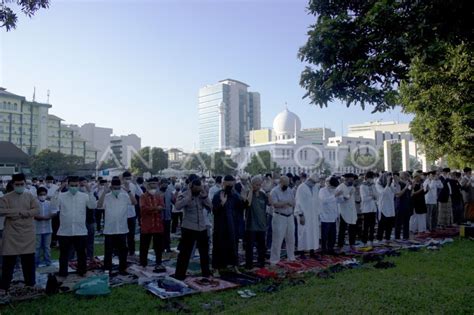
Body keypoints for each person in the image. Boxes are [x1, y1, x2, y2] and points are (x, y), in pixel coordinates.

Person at [0, 173, 40, 291]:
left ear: (24, 183)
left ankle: (30, 285)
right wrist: (18, 211)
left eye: (22, 184)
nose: (20, 186)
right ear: (13, 184)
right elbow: (1, 211)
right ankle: (4, 287)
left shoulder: (30, 196)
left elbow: (36, 210)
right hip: (11, 234)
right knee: (8, 263)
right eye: (17, 184)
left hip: (27, 233)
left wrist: (25, 213)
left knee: (28, 261)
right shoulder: (6, 197)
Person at [57, 176, 97, 277]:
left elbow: (92, 205)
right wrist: (59, 189)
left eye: (76, 185)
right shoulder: (62, 196)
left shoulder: (84, 196)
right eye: (72, 185)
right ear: (68, 185)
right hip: (65, 231)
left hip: (80, 230)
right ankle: (63, 273)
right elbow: (54, 205)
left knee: (81, 253)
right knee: (64, 254)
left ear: (79, 185)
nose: (74, 187)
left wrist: (89, 191)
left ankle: (82, 271)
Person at [174, 178, 212, 280]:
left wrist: (205, 196)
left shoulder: (201, 195)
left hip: (202, 228)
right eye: (196, 189)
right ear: (191, 187)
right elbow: (177, 206)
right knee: (184, 253)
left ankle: (206, 273)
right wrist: (189, 195)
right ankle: (180, 275)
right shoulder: (184, 194)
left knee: (204, 252)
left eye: (199, 189)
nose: (198, 191)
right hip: (189, 228)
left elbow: (210, 207)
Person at [98, 178, 136, 275]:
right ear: (111, 187)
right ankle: (107, 269)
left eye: (118, 188)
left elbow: (134, 202)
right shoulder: (106, 196)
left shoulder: (124, 196)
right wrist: (104, 192)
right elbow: (99, 206)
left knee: (123, 251)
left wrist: (128, 191)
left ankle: (122, 269)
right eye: (114, 188)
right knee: (108, 252)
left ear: (120, 187)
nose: (116, 190)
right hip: (109, 229)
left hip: (122, 229)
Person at [212, 175, 245, 270]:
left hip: (232, 226)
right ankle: (216, 268)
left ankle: (234, 266)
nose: (230, 187)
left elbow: (242, 208)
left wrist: (244, 199)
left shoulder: (235, 195)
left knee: (233, 246)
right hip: (220, 226)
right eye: (228, 185)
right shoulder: (218, 195)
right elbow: (214, 211)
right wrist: (222, 203)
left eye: (232, 185)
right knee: (219, 246)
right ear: (224, 184)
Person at [139, 178, 166, 272]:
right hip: (147, 225)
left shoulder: (159, 196)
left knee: (158, 246)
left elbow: (162, 206)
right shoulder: (143, 196)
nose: (153, 186)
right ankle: (143, 264)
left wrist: (156, 208)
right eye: (151, 184)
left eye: (155, 184)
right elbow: (143, 209)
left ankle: (159, 263)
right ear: (147, 185)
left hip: (158, 225)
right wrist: (155, 208)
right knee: (144, 246)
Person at [244, 176, 270, 269]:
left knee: (262, 247)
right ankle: (249, 265)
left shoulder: (263, 195)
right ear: (252, 184)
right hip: (251, 225)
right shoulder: (248, 193)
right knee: (249, 247)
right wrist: (251, 190)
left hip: (262, 225)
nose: (258, 186)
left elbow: (270, 203)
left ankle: (261, 263)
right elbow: (248, 203)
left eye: (259, 185)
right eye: (256, 184)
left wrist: (267, 191)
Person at [269, 176, 296, 265]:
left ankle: (291, 257)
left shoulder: (290, 190)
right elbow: (275, 204)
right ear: (280, 182)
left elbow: (293, 203)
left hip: (290, 216)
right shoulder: (274, 191)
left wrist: (286, 203)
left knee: (291, 238)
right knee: (278, 239)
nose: (287, 185)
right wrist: (286, 203)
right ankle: (274, 260)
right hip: (279, 216)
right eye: (285, 183)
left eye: (288, 183)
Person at [295, 173, 321, 258]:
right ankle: (302, 252)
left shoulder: (315, 187)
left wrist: (318, 214)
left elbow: (317, 201)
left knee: (313, 233)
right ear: (309, 180)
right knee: (303, 233)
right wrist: (300, 214)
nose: (314, 183)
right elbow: (298, 202)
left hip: (313, 215)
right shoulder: (301, 188)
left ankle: (312, 252)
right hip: (304, 215)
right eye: (313, 182)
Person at [319, 176, 344, 255]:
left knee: (332, 235)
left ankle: (331, 249)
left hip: (334, 216)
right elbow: (324, 201)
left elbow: (340, 201)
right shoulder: (322, 190)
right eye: (332, 187)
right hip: (325, 217)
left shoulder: (335, 190)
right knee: (324, 235)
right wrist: (335, 195)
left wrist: (341, 196)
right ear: (329, 184)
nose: (333, 188)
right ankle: (323, 250)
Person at [35, 187, 58, 266]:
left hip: (48, 229)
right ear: (37, 195)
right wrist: (42, 217)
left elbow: (54, 212)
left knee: (47, 247)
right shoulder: (34, 203)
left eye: (44, 194)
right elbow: (34, 215)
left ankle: (48, 262)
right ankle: (36, 263)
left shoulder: (49, 203)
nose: (42, 196)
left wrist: (47, 217)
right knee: (37, 247)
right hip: (37, 229)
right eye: (41, 194)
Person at [122, 171, 143, 256]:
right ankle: (122, 251)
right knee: (122, 234)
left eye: (129, 178)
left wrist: (136, 184)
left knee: (131, 234)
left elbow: (141, 194)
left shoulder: (133, 186)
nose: (128, 180)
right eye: (126, 179)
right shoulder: (120, 186)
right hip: (122, 214)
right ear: (123, 178)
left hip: (131, 214)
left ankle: (132, 251)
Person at [336, 173, 358, 251]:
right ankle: (340, 245)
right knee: (342, 229)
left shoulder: (352, 187)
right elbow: (337, 199)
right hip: (343, 211)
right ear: (346, 179)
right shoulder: (340, 187)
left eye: (353, 180)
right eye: (350, 180)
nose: (352, 181)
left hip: (352, 210)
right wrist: (345, 197)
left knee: (352, 228)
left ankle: (352, 244)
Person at [376, 173, 399, 243]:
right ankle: (379, 239)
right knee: (382, 224)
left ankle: (387, 238)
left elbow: (396, 192)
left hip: (391, 207)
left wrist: (395, 183)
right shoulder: (378, 185)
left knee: (389, 224)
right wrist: (387, 185)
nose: (389, 179)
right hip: (383, 207)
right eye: (387, 178)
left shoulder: (391, 185)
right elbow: (383, 193)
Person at [360, 171, 378, 246]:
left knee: (372, 225)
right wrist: (372, 197)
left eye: (372, 178)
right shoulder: (362, 186)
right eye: (371, 178)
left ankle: (371, 240)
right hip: (366, 209)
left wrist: (373, 196)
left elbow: (377, 195)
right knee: (366, 226)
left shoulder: (373, 185)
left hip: (373, 208)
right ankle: (364, 241)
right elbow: (364, 198)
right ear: (367, 178)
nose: (372, 180)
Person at [394, 172, 413, 240]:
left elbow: (410, 192)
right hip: (400, 205)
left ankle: (406, 237)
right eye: (407, 176)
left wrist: (411, 184)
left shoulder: (408, 184)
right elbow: (398, 195)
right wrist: (406, 187)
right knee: (398, 223)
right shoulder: (399, 183)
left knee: (406, 222)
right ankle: (397, 237)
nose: (408, 178)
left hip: (406, 205)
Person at [161, 178, 173, 253]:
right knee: (161, 233)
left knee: (167, 232)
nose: (165, 184)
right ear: (161, 184)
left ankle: (168, 247)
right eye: (164, 183)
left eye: (166, 183)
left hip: (168, 216)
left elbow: (173, 200)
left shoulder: (169, 191)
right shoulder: (157, 192)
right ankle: (161, 247)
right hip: (160, 216)